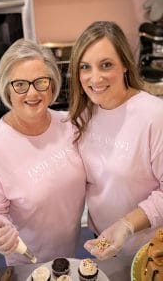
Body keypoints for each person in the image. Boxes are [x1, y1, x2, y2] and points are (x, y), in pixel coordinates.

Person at [68, 21, 163, 280]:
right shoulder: (84, 113)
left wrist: (126, 225)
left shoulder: (154, 115)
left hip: (149, 248)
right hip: (102, 240)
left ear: (124, 65)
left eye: (106, 65)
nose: (94, 78)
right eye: (85, 67)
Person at [0, 38, 86, 266]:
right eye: (20, 84)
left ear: (52, 84)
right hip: (27, 262)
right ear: (7, 89)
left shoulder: (70, 124)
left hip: (70, 252)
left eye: (40, 81)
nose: (32, 93)